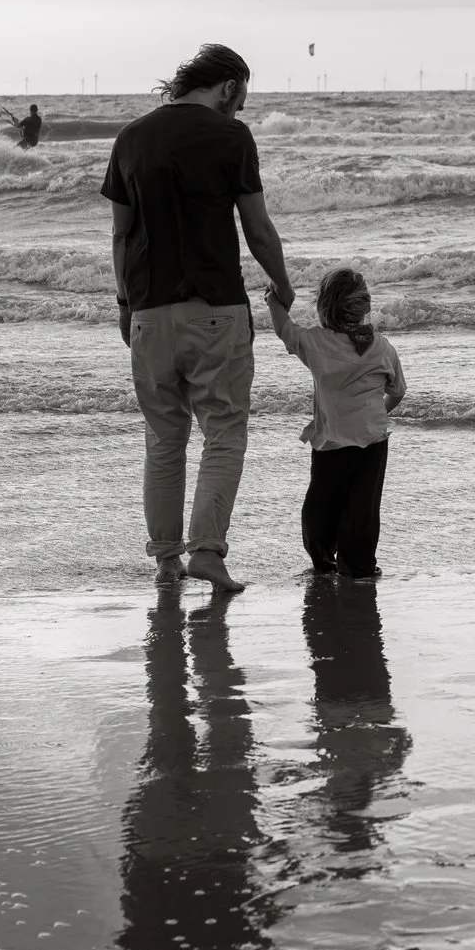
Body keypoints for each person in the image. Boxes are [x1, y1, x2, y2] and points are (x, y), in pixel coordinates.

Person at [101, 43, 293, 593]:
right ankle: (207, 552)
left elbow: (120, 233)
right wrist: (281, 283)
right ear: (228, 86)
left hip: (148, 314)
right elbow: (257, 228)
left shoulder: (131, 137)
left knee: (164, 439)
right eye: (242, 98)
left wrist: (123, 303)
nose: (240, 110)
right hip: (216, 310)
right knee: (224, 433)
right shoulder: (231, 137)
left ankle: (166, 560)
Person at [267, 266, 406, 577]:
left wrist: (272, 300)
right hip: (372, 442)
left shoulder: (316, 344)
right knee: (363, 510)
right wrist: (375, 414)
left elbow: (283, 328)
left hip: (331, 444)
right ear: (364, 308)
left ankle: (323, 560)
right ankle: (359, 568)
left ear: (325, 307)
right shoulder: (382, 346)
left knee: (320, 509)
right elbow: (397, 391)